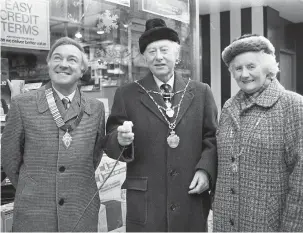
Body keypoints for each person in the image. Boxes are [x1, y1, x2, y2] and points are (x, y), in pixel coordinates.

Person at [103, 18, 218, 232]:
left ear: (177, 54)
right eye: (151, 51)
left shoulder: (200, 91)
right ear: (144, 57)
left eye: (164, 50)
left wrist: (206, 171)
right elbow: (109, 140)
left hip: (189, 195)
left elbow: (211, 137)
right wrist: (119, 140)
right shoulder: (127, 94)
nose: (158, 57)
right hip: (147, 201)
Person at [1, 37, 105, 232]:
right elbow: (10, 159)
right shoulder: (22, 104)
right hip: (35, 213)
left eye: (72, 60)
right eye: (57, 58)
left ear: (82, 69)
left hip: (80, 210)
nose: (63, 64)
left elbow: (93, 158)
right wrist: (34, 187)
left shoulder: (96, 108)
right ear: (48, 64)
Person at [213, 34, 303, 232]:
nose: (244, 74)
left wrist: (293, 228)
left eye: (251, 66)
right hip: (224, 221)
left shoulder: (293, 105)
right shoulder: (229, 107)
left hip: (268, 223)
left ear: (268, 68)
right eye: (238, 68)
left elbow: (300, 180)